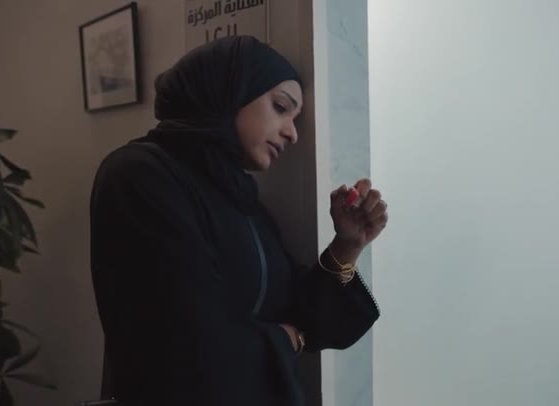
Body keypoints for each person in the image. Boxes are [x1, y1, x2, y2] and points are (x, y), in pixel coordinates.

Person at [89, 35, 387, 406]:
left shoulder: (241, 201)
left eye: (295, 119)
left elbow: (300, 311)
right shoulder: (139, 175)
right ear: (229, 91)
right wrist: (290, 338)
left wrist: (348, 244)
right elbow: (185, 341)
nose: (293, 133)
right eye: (281, 107)